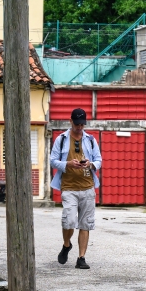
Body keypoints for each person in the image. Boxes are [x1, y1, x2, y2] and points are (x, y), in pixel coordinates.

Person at [50, 108, 102, 270]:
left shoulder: (91, 140)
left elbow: (99, 160)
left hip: (87, 187)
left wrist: (91, 164)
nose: (80, 127)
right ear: (70, 121)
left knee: (85, 224)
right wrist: (67, 164)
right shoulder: (62, 139)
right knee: (69, 221)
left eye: (82, 124)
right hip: (69, 187)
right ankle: (66, 245)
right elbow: (53, 160)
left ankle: (81, 258)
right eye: (77, 124)